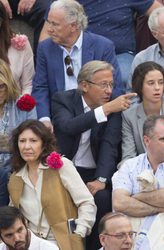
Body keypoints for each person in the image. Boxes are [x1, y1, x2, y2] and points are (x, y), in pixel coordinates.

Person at [51, 60, 136, 249]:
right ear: (84, 86)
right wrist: (105, 110)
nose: (109, 90)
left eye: (111, 85)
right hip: (64, 170)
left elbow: (110, 145)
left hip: (93, 171)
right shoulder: (63, 99)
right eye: (103, 85)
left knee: (103, 198)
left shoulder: (112, 105)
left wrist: (101, 179)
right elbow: (68, 127)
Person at [32, 0, 123, 131]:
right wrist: (44, 119)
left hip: (95, 116)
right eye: (48, 22)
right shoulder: (45, 48)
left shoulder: (103, 46)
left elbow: (116, 88)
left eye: (54, 24)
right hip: (60, 117)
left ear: (73, 26)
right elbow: (41, 87)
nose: (49, 29)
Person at [8, 119, 96, 250]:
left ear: (43, 144)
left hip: (62, 243)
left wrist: (79, 232)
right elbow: (13, 216)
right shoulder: (15, 178)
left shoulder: (61, 165)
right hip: (31, 244)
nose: (26, 146)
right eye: (22, 141)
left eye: (33, 141)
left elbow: (86, 202)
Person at [112, 115, 164, 249]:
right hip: (134, 232)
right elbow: (119, 203)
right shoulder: (130, 166)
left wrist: (135, 197)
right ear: (147, 140)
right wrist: (160, 208)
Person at [122, 61, 164, 162]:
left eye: (161, 82)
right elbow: (128, 156)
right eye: (151, 83)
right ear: (139, 86)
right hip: (141, 172)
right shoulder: (129, 116)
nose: (157, 88)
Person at [0, 59, 36, 206]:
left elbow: (34, 140)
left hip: (19, 167)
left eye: (1, 87)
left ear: (8, 84)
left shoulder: (23, 104)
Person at [0, 1, 34, 94]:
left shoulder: (20, 43)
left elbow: (28, 85)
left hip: (14, 104)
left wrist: (22, 105)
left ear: (2, 21)